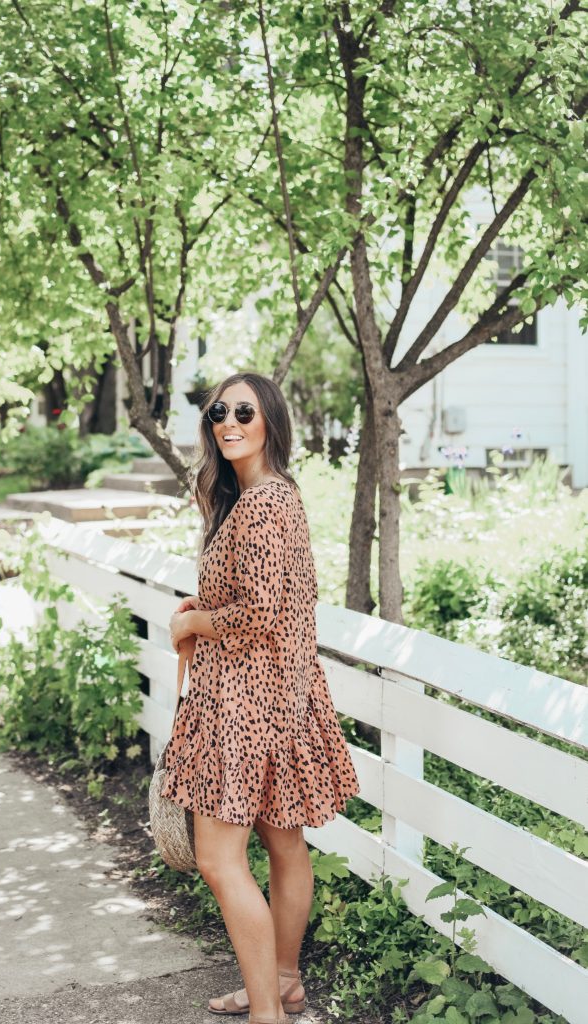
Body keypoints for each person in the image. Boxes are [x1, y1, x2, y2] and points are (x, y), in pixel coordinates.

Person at [164, 372, 360, 1024]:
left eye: (243, 411)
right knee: (283, 846)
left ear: (270, 419)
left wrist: (194, 623)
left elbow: (260, 614)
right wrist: (208, 607)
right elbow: (259, 602)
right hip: (280, 698)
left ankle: (269, 1014)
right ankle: (281, 982)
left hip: (246, 708)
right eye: (219, 411)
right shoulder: (266, 499)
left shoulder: (265, 504)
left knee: (220, 861)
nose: (228, 422)